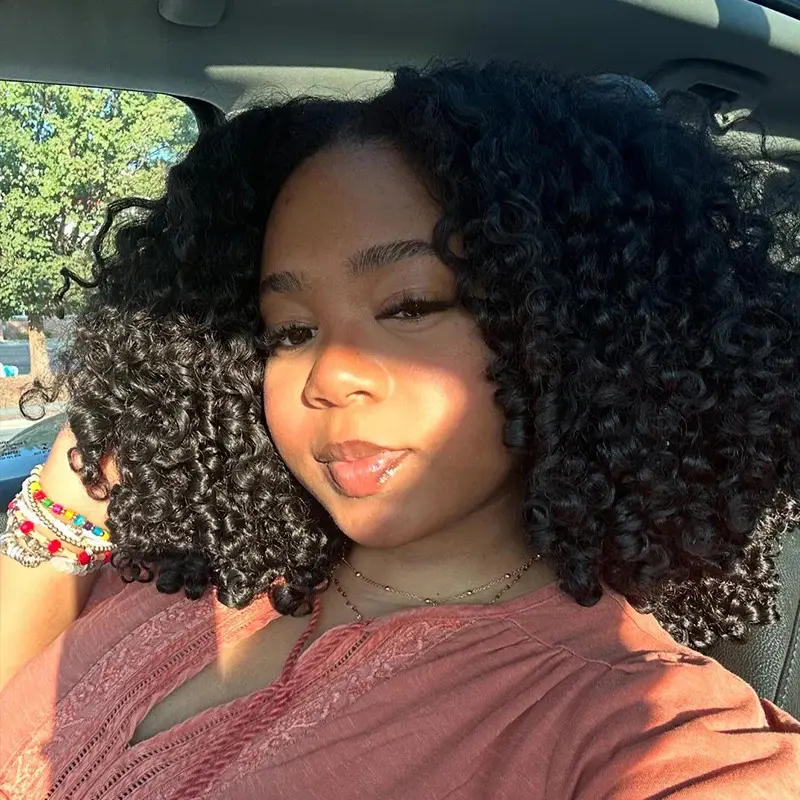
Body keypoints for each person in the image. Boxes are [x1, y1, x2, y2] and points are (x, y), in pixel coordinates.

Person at [0, 61, 798, 799]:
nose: (327, 376)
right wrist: (83, 476)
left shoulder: (642, 723)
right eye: (290, 331)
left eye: (410, 305)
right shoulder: (199, 573)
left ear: (576, 331)